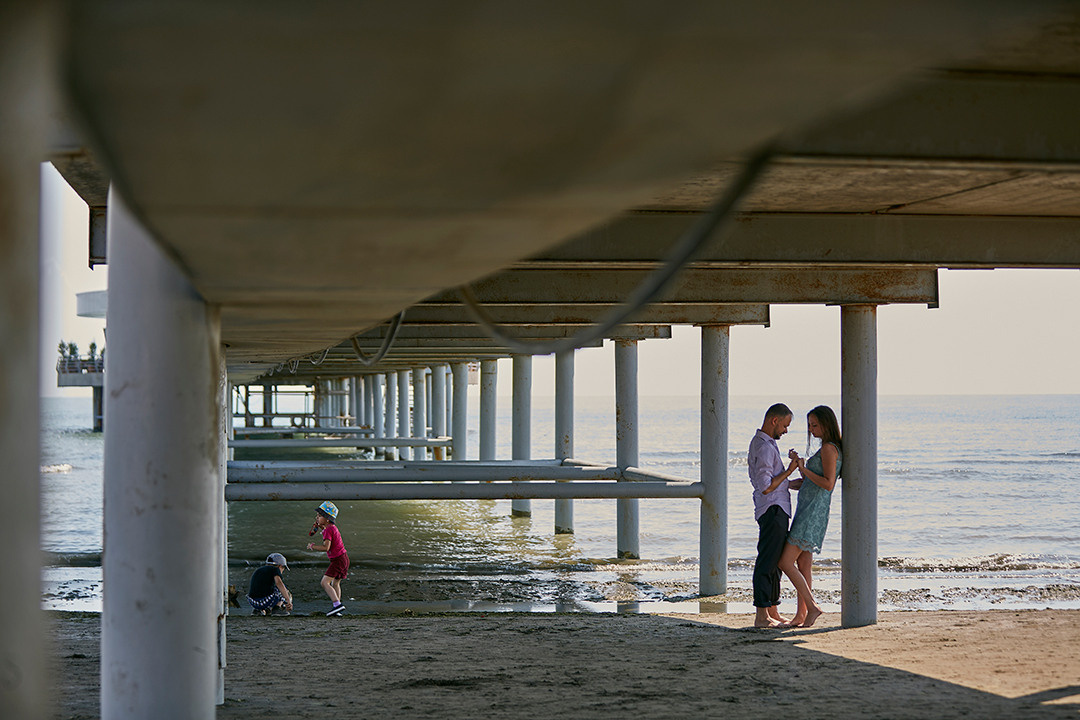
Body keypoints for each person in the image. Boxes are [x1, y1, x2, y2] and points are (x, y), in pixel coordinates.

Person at [772, 405, 843, 628]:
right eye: (809, 425)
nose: (811, 430)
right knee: (803, 565)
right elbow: (811, 483)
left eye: (815, 425)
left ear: (826, 424)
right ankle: (802, 616)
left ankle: (812, 607)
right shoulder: (827, 449)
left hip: (812, 513)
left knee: (785, 562)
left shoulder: (829, 449)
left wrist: (803, 468)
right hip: (810, 509)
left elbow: (828, 484)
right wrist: (784, 483)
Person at [748, 403, 801, 628]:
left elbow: (776, 483)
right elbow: (766, 487)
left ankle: (772, 611)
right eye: (785, 425)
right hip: (772, 510)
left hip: (776, 508)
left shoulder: (766, 444)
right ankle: (762, 616)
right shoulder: (765, 447)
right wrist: (789, 471)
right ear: (774, 421)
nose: (786, 431)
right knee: (767, 562)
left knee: (776, 562)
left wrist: (796, 480)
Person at [307, 500, 349, 616]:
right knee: (336, 583)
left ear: (327, 518)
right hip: (343, 558)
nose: (317, 518)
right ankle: (337, 609)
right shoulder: (331, 528)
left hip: (337, 560)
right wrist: (322, 528)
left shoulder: (328, 530)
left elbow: (326, 547)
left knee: (324, 582)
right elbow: (329, 535)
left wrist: (313, 546)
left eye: (319, 516)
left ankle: (337, 605)